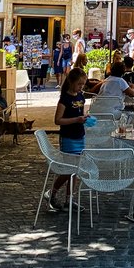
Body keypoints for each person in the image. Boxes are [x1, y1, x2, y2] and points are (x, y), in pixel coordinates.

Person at [45, 67, 88, 212]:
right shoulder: (64, 99)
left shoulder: (80, 96)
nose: (81, 87)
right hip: (68, 137)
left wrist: (85, 119)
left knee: (75, 170)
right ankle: (53, 191)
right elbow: (58, 120)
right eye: (79, 84)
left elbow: (81, 113)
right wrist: (76, 119)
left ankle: (69, 199)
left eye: (83, 84)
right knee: (69, 169)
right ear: (71, 82)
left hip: (79, 135)